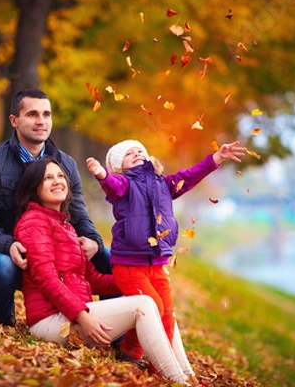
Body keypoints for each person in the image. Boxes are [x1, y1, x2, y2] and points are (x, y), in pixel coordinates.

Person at [14, 157, 196, 384]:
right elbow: (47, 279)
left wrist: (139, 278)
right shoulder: (33, 222)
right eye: (48, 178)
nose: (57, 181)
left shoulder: (67, 226)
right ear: (34, 187)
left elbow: (90, 278)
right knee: (146, 304)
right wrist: (82, 316)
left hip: (75, 315)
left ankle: (189, 376)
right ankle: (176, 380)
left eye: (60, 176)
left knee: (160, 301)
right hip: (51, 322)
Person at [85, 139, 245, 363]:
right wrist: (102, 174)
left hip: (157, 264)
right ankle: (137, 356)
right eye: (129, 154)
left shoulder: (164, 183)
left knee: (167, 315)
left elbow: (189, 177)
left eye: (140, 150)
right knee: (153, 307)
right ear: (120, 166)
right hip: (129, 265)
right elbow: (112, 184)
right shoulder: (123, 184)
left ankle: (150, 359)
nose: (137, 153)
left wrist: (216, 158)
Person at [0, 88, 112, 326]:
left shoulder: (65, 163)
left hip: (57, 253)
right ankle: (5, 320)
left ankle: (112, 333)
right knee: (0, 267)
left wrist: (93, 240)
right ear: (14, 120)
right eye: (32, 114)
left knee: (109, 258)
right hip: (12, 252)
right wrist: (9, 244)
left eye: (46, 114)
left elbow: (79, 213)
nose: (41, 121)